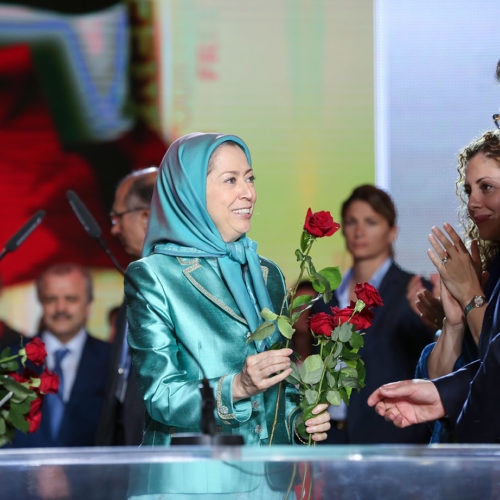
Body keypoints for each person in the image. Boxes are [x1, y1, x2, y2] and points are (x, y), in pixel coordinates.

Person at [124, 133, 330, 496]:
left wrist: (301, 422)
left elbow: (277, 387)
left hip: (267, 485)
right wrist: (236, 387)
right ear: (189, 191)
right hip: (192, 485)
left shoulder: (268, 274)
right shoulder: (155, 275)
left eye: (250, 178)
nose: (248, 193)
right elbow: (159, 395)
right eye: (231, 180)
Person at [368, 129, 500, 443]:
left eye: (487, 188)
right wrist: (453, 322)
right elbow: (441, 376)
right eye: (468, 190)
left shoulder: (479, 280)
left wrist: (470, 296)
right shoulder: (489, 267)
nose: (472, 203)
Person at [312, 184, 434, 444]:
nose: (359, 231)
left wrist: (432, 319)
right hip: (330, 439)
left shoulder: (417, 292)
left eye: (371, 222)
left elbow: (436, 361)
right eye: (351, 222)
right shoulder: (325, 299)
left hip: (392, 438)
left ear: (392, 232)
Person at [12, 263, 110, 447]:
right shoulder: (10, 359)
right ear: (40, 302)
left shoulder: (112, 361)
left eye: (71, 299)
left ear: (88, 305)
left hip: (92, 475)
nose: (60, 308)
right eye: (50, 299)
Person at [95, 166, 158, 446]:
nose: (114, 228)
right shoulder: (136, 279)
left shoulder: (178, 284)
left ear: (146, 217)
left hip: (158, 453)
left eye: (117, 217)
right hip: (122, 452)